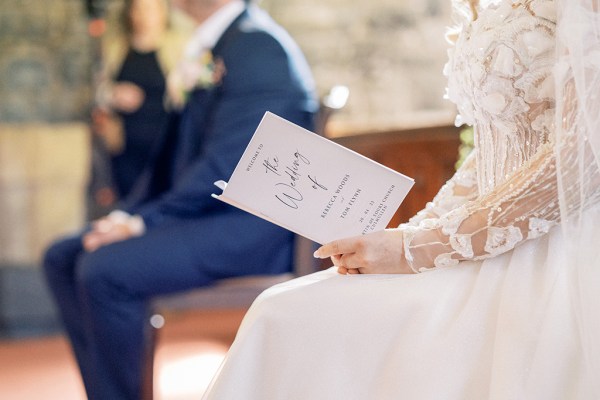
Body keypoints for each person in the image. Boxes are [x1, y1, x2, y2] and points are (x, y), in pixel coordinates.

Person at [202, 0, 600, 399]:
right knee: (281, 309)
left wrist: (418, 248)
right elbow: (495, 151)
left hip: (557, 255)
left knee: (288, 317)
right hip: (485, 243)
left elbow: (579, 159)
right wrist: (412, 233)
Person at [43, 0, 317, 398]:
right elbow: (172, 159)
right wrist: (128, 213)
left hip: (252, 225)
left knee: (104, 269)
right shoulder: (218, 43)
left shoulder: (258, 46)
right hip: (209, 210)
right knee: (62, 256)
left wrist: (143, 223)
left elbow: (230, 164)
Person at [88, 0, 185, 217]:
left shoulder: (179, 46)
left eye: (150, 9)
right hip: (125, 145)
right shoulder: (116, 47)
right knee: (128, 207)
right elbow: (97, 89)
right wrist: (113, 94)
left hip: (163, 144)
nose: (143, 16)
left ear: (163, 13)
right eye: (138, 9)